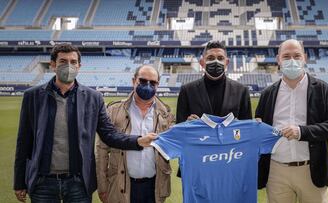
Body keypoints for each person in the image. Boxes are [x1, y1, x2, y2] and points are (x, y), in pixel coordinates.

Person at [13, 44, 157, 203]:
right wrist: (19, 182)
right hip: (43, 183)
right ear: (53, 65)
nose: (69, 66)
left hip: (78, 183)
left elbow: (109, 134)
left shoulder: (93, 98)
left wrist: (137, 141)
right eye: (63, 61)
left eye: (73, 62)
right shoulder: (32, 96)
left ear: (79, 66)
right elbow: (23, 142)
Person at [255, 39, 328, 203]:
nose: (292, 60)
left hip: (311, 169)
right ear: (278, 60)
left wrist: (302, 131)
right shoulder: (268, 93)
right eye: (286, 56)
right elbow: (260, 128)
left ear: (305, 57)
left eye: (296, 55)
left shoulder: (322, 89)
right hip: (276, 171)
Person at [95, 65, 174, 203]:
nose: (147, 85)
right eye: (142, 81)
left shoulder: (166, 114)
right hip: (121, 185)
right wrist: (102, 186)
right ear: (133, 81)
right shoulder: (113, 111)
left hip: (154, 187)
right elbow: (101, 151)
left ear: (158, 85)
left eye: (152, 83)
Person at [176, 40, 252, 177]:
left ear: (227, 62)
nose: (215, 62)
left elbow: (247, 132)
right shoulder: (187, 90)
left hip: (230, 162)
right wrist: (187, 124)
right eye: (210, 58)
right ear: (202, 62)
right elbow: (179, 131)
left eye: (220, 58)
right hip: (197, 163)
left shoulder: (241, 91)